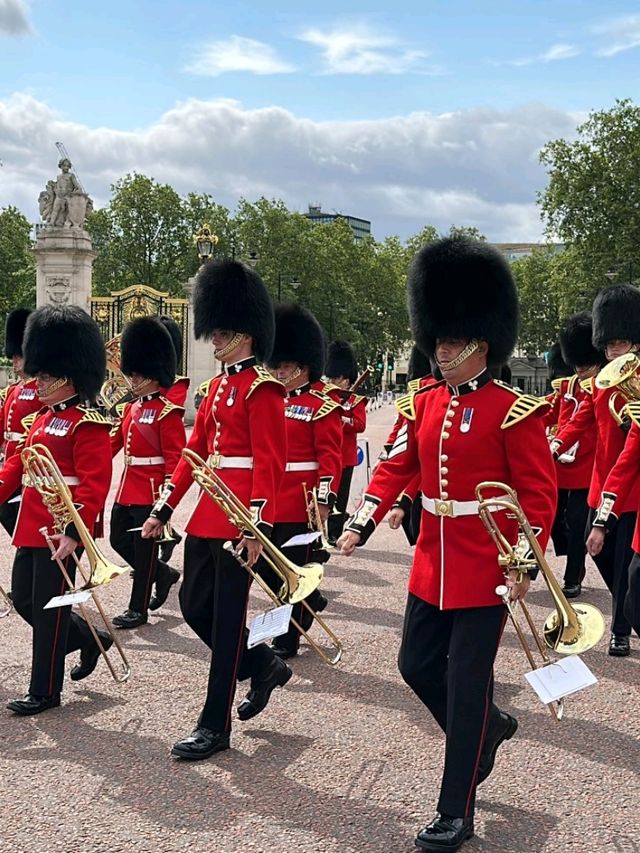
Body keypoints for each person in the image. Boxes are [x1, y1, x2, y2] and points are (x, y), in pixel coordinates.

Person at [338, 237, 556, 853]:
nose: (438, 350)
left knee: (465, 687)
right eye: (437, 339)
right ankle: (488, 731)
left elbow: (536, 499)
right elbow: (395, 465)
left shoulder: (514, 412)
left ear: (480, 344)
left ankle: (454, 810)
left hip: (485, 566)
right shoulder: (424, 401)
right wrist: (363, 517)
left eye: (450, 341)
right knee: (414, 666)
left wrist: (523, 563)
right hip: (431, 559)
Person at [141, 258, 290, 760]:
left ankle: (214, 725)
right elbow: (195, 453)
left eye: (221, 333)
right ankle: (261, 664)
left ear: (245, 334)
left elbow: (271, 461)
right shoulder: (216, 388)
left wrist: (256, 526)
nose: (214, 341)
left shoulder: (263, 389)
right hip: (209, 512)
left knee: (227, 623)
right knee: (192, 605)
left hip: (239, 519)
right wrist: (164, 506)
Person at [0, 305, 113, 716]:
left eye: (45, 375)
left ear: (68, 376)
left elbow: (95, 485)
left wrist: (73, 531)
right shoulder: (40, 420)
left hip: (62, 529)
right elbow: (16, 464)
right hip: (32, 525)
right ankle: (88, 637)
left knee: (49, 610)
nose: (38, 380)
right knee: (25, 600)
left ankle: (45, 690)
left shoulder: (89, 423)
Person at [552, 285, 640, 657]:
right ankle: (626, 609)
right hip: (600, 483)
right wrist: (555, 445)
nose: (611, 352)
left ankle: (621, 629)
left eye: (619, 343)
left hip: (631, 488)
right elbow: (581, 417)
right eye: (607, 345)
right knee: (600, 554)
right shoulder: (601, 384)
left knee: (623, 565)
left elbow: (633, 447)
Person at [263, 303, 343, 658]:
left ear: (303, 367)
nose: (278, 372)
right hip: (270, 498)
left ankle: (287, 637)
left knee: (290, 568)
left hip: (300, 499)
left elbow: (331, 458)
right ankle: (312, 597)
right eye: (276, 366)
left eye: (284, 367)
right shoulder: (268, 402)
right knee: (267, 566)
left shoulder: (321, 406)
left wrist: (324, 501)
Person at [109, 317, 186, 628]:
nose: (132, 378)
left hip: (150, 493)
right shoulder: (132, 408)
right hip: (127, 489)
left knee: (142, 555)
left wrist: (164, 503)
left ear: (154, 375)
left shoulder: (168, 413)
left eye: (138, 373)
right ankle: (163, 573)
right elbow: (111, 444)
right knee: (117, 540)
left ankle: (138, 609)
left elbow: (176, 460)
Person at [551, 313, 603, 597]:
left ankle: (574, 575)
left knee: (578, 523)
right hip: (561, 466)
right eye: (578, 364)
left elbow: (579, 423)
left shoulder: (603, 387)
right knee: (551, 520)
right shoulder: (569, 385)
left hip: (586, 466)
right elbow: (555, 413)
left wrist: (556, 444)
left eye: (587, 364)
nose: (581, 369)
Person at [0, 309, 41, 537]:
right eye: (14, 355)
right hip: (10, 459)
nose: (14, 360)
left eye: (19, 355)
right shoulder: (14, 390)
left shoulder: (41, 390)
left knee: (9, 509)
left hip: (27, 462)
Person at [325, 340, 367, 544]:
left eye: (338, 378)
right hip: (326, 454)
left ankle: (335, 531)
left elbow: (360, 424)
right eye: (332, 377)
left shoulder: (356, 400)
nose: (334, 381)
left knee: (340, 497)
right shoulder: (327, 397)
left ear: (347, 379)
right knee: (324, 494)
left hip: (345, 456)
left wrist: (341, 418)